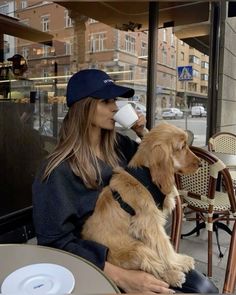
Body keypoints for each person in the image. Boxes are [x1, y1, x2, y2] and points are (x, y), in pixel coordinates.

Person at [32, 69, 218, 294]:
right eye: (106, 101)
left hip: (142, 249)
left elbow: (159, 167)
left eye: (115, 100)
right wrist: (122, 277)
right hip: (99, 265)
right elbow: (54, 244)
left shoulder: (119, 146)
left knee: (205, 289)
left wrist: (142, 132)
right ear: (84, 106)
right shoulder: (56, 172)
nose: (115, 107)